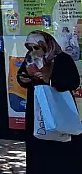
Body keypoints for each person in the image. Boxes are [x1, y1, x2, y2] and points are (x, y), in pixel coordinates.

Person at [16, 30, 80, 173]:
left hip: (59, 106)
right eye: (30, 48)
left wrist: (49, 80)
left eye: (36, 47)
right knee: (38, 144)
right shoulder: (31, 58)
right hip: (37, 106)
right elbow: (22, 74)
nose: (33, 51)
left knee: (61, 143)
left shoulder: (62, 59)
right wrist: (24, 79)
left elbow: (73, 82)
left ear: (46, 45)